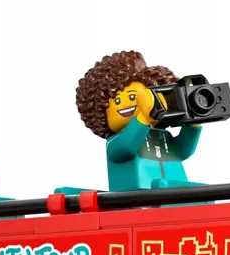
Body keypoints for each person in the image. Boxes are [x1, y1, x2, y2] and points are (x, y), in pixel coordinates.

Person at [76, 50, 202, 191]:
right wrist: (143, 118)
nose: (129, 104)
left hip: (174, 190)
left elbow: (182, 151)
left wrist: (193, 125)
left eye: (133, 97)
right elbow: (127, 146)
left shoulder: (162, 136)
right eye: (117, 101)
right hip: (136, 194)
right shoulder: (115, 143)